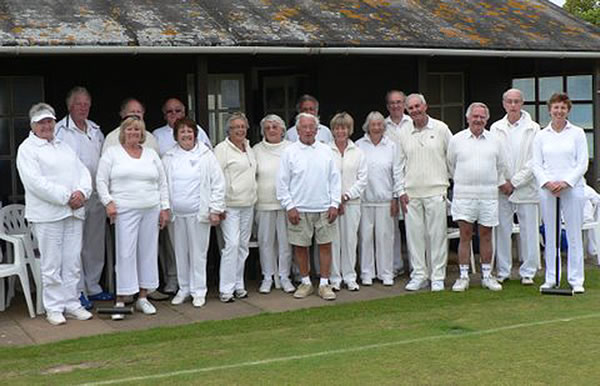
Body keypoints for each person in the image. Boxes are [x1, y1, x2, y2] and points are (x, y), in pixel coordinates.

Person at [16, 102, 93, 325]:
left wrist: (82, 193)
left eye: (49, 121)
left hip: (73, 213)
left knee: (72, 261)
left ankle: (72, 303)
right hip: (47, 215)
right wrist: (67, 197)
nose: (46, 126)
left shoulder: (64, 146)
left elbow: (82, 172)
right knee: (52, 263)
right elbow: (35, 183)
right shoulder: (27, 149)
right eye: (41, 122)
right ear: (33, 125)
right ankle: (54, 307)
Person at [96, 117, 170, 320]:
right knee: (125, 254)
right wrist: (108, 202)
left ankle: (143, 297)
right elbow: (101, 181)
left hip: (150, 209)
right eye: (129, 129)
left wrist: (165, 208)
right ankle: (121, 299)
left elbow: (162, 183)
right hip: (124, 210)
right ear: (123, 132)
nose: (133, 133)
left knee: (147, 252)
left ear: (142, 133)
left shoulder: (151, 154)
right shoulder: (112, 154)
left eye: (137, 130)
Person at [54, 86, 112, 310]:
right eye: (79, 104)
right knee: (74, 246)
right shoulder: (60, 131)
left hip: (96, 196)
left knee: (94, 244)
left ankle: (93, 286)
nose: (83, 108)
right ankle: (77, 291)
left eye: (87, 104)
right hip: (75, 198)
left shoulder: (96, 130)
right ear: (70, 106)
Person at [277, 112, 341, 300]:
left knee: (325, 246)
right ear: (297, 130)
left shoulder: (326, 150)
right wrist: (290, 206)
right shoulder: (289, 152)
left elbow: (335, 179)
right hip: (299, 208)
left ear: (317, 130)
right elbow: (282, 182)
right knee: (300, 247)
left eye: (311, 127)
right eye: (304, 127)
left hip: (323, 207)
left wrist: (334, 204)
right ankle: (305, 283)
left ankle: (323, 284)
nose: (307, 130)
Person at [163, 118, 225, 307]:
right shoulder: (168, 157)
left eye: (189, 132)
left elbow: (218, 183)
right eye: (182, 132)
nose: (186, 135)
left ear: (195, 135)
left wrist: (215, 209)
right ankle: (184, 289)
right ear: (176, 136)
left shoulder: (206, 155)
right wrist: (164, 208)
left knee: (198, 253)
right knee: (180, 253)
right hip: (177, 215)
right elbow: (163, 185)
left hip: (200, 214)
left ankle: (199, 290)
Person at [447, 102, 506, 292]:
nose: (478, 120)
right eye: (475, 116)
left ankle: (487, 275)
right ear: (468, 118)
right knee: (465, 235)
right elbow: (451, 166)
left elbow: (501, 166)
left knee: (486, 235)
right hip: (464, 195)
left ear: (487, 119)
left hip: (488, 195)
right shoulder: (456, 140)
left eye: (482, 117)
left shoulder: (495, 140)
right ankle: (463, 276)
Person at [532, 92, 588, 293]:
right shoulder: (540, 135)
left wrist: (566, 182)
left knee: (573, 233)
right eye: (556, 107)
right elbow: (536, 164)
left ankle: (576, 279)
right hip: (548, 190)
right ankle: (551, 278)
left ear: (568, 110)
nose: (559, 111)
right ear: (550, 110)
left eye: (563, 108)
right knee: (551, 234)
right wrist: (547, 183)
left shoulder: (578, 133)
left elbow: (582, 163)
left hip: (572, 189)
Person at [399, 94, 452, 292]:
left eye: (417, 106)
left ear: (425, 106)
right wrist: (400, 190)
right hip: (411, 192)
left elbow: (452, 157)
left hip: (436, 190)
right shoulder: (403, 132)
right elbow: (398, 164)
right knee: (415, 236)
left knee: (437, 235)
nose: (415, 110)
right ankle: (419, 274)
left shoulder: (441, 128)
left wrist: (447, 183)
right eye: (411, 108)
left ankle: (437, 276)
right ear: (407, 110)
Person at [490, 88, 541, 285]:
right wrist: (502, 182)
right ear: (504, 104)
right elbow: (492, 158)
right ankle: (503, 271)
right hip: (502, 189)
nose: (513, 105)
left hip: (526, 188)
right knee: (502, 230)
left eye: (516, 102)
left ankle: (528, 272)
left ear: (522, 103)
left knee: (529, 231)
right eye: (509, 102)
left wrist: (516, 182)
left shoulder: (533, 128)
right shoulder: (495, 128)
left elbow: (534, 160)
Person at [214, 112, 257, 302]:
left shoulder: (249, 147)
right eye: (235, 127)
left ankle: (239, 284)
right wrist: (218, 205)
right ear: (228, 130)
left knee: (242, 246)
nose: (239, 130)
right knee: (231, 245)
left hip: (248, 204)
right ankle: (226, 289)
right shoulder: (222, 149)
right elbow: (216, 179)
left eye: (242, 126)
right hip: (230, 205)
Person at [356, 111, 401, 287]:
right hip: (364, 200)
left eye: (380, 124)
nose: (376, 128)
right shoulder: (359, 145)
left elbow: (396, 172)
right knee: (365, 238)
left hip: (385, 200)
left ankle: (386, 273)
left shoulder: (391, 146)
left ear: (384, 127)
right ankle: (367, 273)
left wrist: (395, 197)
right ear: (368, 126)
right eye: (373, 124)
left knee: (386, 237)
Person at [253, 114, 296, 294]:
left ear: (282, 130)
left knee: (285, 242)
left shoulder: (291, 148)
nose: (271, 130)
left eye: (275, 127)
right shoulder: (256, 149)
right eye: (268, 127)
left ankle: (284, 276)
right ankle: (268, 277)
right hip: (263, 203)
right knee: (265, 242)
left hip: (286, 204)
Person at [329, 112, 367, 291]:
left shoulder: (358, 152)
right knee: (333, 241)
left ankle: (350, 277)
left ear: (349, 129)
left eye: (343, 127)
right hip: (331, 205)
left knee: (350, 241)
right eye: (337, 127)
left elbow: (362, 180)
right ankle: (335, 278)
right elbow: (323, 178)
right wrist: (336, 200)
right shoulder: (326, 151)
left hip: (352, 203)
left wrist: (346, 196)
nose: (340, 131)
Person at [384, 90, 412, 277]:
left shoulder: (412, 123)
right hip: (389, 182)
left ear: (404, 104)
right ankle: (395, 265)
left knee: (413, 226)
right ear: (388, 106)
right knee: (392, 228)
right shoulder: (382, 125)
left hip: (411, 181)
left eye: (399, 102)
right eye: (392, 103)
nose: (396, 106)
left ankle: (415, 266)